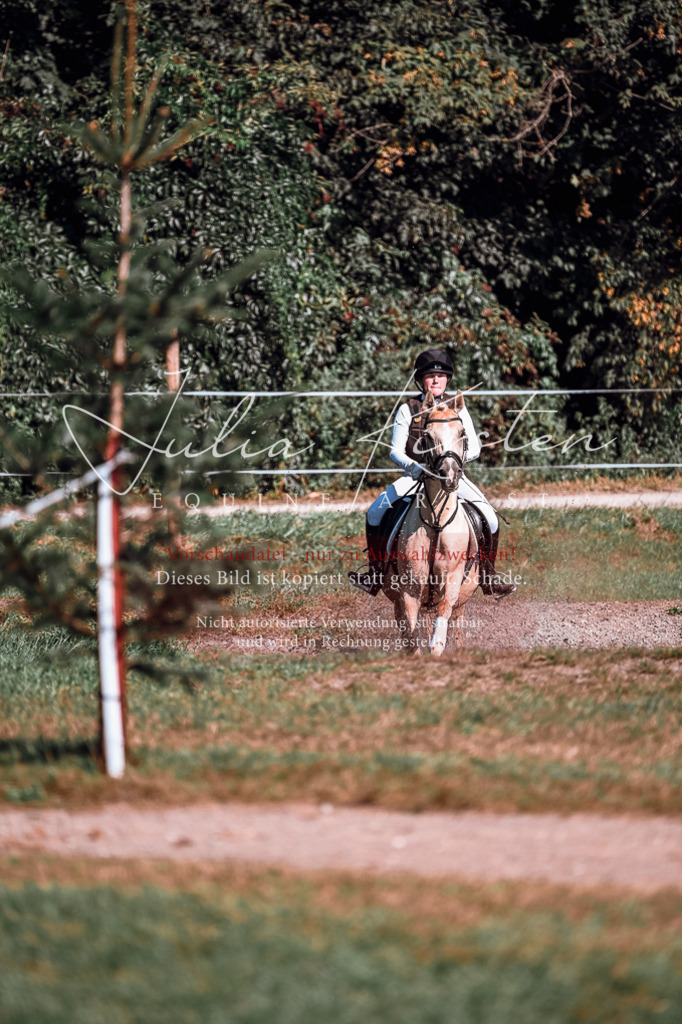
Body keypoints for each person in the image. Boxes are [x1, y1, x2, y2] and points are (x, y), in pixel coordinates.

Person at [348, 348, 516, 598]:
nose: (436, 380)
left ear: (447, 379)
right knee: (375, 512)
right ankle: (375, 573)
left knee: (490, 518)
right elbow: (395, 451)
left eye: (441, 375)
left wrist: (452, 463)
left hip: (452, 475)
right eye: (430, 376)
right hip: (416, 474)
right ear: (420, 379)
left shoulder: (458, 408)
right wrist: (415, 468)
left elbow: (475, 448)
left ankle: (488, 576)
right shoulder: (408, 409)